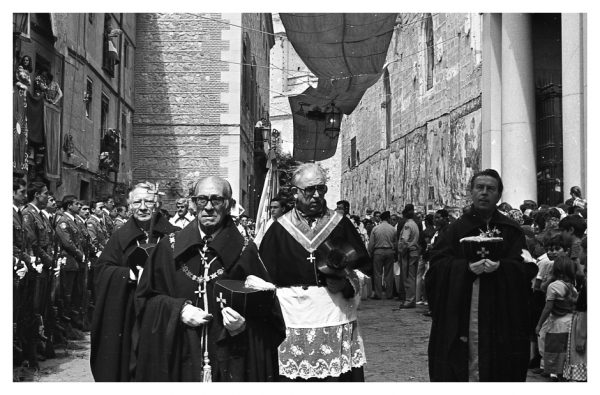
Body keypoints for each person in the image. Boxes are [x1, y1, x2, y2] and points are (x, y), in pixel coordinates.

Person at [134, 176, 285, 381]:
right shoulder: (168, 247)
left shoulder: (246, 251)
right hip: (179, 355)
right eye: (202, 200)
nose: (208, 207)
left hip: (228, 358)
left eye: (216, 200)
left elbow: (269, 319)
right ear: (193, 203)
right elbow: (144, 300)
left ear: (229, 205)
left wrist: (242, 326)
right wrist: (179, 310)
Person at [259, 163, 371, 381]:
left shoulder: (340, 224)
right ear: (295, 193)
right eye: (310, 190)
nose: (317, 195)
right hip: (293, 321)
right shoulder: (279, 229)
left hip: (335, 314)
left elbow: (363, 269)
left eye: (322, 189)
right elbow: (263, 279)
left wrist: (346, 284)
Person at [426, 169, 538, 381]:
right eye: (480, 187)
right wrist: (465, 269)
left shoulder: (511, 230)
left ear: (499, 195)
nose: (484, 193)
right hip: (463, 315)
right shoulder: (455, 230)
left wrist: (501, 267)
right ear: (471, 191)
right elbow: (436, 268)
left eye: (490, 189)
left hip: (501, 316)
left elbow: (526, 267)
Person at [91, 182, 179, 381]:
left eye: (148, 201)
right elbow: (102, 270)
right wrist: (129, 275)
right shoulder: (121, 236)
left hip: (162, 309)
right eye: (137, 202)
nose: (142, 207)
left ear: (157, 204)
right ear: (130, 205)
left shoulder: (173, 234)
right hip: (130, 308)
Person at [536, 254, 578, 381]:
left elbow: (548, 308)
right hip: (571, 322)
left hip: (557, 324)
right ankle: (564, 374)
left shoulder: (553, 286)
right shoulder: (572, 286)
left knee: (554, 349)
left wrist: (538, 325)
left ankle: (555, 373)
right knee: (566, 350)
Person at [368, 211, 397, 299]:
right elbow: (395, 243)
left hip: (378, 252)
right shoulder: (393, 229)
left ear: (381, 218)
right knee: (389, 273)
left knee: (377, 274)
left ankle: (378, 294)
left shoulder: (376, 229)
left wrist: (370, 252)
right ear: (388, 218)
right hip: (389, 251)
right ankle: (389, 294)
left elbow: (371, 244)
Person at [397, 204, 420, 309]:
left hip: (408, 253)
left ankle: (409, 300)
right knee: (412, 276)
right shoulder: (414, 224)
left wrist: (400, 250)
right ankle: (411, 299)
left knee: (408, 277)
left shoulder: (407, 226)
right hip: (414, 252)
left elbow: (404, 240)